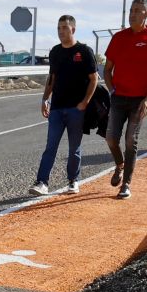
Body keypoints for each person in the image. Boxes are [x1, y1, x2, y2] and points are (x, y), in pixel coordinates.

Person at [102, 0, 147, 199]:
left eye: (137, 10)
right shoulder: (118, 38)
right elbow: (107, 70)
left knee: (131, 140)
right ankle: (119, 165)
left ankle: (126, 184)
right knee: (111, 138)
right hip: (118, 98)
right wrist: (112, 90)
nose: (132, 14)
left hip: (139, 100)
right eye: (131, 10)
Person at [31, 16, 98, 195]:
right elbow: (52, 78)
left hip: (77, 109)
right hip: (57, 108)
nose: (61, 31)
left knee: (74, 148)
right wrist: (45, 99)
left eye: (64, 28)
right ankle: (42, 182)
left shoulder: (84, 51)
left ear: (73, 30)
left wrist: (85, 102)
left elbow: (94, 79)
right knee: (50, 146)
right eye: (59, 28)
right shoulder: (55, 52)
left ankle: (73, 181)